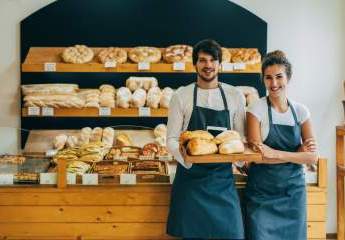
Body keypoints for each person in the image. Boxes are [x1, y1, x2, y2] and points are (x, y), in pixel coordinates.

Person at [166, 39, 246, 240]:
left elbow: (240, 138)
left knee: (232, 234)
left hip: (223, 181)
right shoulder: (181, 96)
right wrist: (189, 160)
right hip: (190, 182)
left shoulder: (235, 96)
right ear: (195, 64)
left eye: (213, 60)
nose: (208, 65)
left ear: (220, 64)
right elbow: (172, 140)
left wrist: (239, 160)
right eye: (202, 60)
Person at [244, 50, 318, 240]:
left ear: (288, 77)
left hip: (293, 194)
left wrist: (275, 154)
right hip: (262, 194)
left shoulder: (301, 111)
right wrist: (296, 155)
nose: (274, 83)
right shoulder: (255, 110)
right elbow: (257, 157)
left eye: (279, 76)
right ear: (263, 80)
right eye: (268, 78)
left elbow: (312, 157)